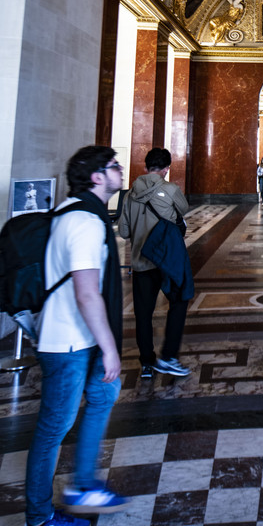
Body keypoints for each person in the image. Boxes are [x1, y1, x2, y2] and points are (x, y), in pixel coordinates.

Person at [25, 146, 129, 526]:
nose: (120, 169)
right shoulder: (85, 221)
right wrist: (110, 348)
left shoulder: (73, 211)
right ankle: (39, 517)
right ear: (97, 177)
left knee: (104, 395)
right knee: (54, 428)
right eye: (114, 166)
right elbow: (86, 293)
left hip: (79, 337)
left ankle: (85, 484)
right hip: (67, 341)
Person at [119, 148, 191, 378]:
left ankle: (146, 363)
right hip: (166, 260)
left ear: (146, 166)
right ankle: (168, 357)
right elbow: (184, 209)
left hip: (141, 262)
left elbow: (123, 231)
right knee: (179, 300)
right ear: (166, 168)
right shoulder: (170, 189)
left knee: (143, 314)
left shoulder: (130, 195)